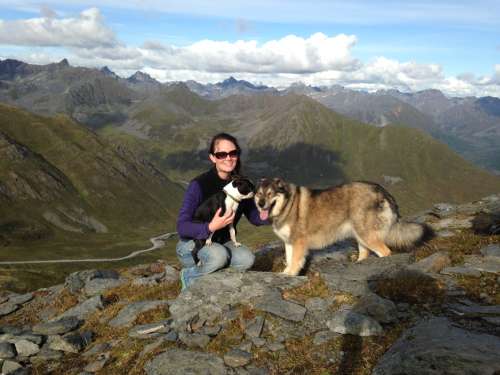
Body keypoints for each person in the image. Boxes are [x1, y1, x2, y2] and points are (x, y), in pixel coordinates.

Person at [176, 133, 267, 290]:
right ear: (213, 158)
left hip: (221, 242)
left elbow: (254, 216)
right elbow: (182, 227)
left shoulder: (241, 184)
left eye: (233, 153)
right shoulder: (198, 184)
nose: (228, 158)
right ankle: (189, 274)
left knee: (247, 260)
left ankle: (212, 277)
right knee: (219, 257)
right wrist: (210, 227)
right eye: (221, 154)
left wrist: (278, 212)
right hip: (192, 243)